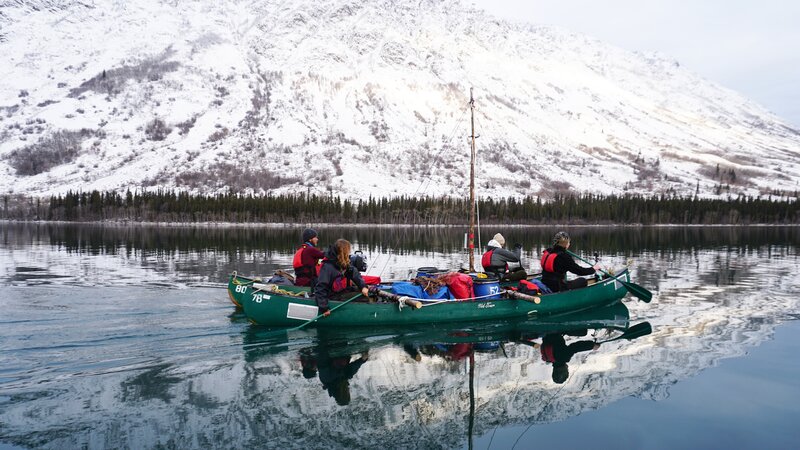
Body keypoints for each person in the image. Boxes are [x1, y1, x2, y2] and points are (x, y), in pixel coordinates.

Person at [313, 238, 369, 316]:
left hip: (342, 291)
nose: (349, 253)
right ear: (343, 252)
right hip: (332, 296)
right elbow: (321, 288)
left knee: (367, 291)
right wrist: (324, 307)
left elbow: (356, 274)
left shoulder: (343, 264)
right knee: (364, 298)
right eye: (348, 251)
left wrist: (363, 286)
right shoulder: (328, 267)